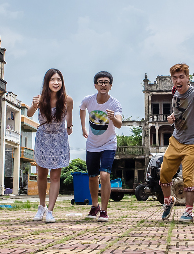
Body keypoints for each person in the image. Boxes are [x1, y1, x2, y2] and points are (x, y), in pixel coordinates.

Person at [158, 64, 194, 223]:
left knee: (188, 177)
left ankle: (188, 212)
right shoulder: (175, 93)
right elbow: (178, 110)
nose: (178, 80)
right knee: (164, 174)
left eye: (181, 77)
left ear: (187, 78)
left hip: (192, 142)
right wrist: (171, 117)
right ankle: (168, 201)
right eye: (175, 78)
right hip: (176, 140)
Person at [28, 68, 73, 223]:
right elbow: (28, 114)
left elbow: (69, 117)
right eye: (53, 79)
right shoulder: (40, 99)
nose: (56, 82)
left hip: (59, 139)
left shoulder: (67, 100)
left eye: (59, 80)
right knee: (41, 174)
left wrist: (69, 127)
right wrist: (34, 105)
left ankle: (51, 211)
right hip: (43, 139)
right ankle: (41, 206)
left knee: (55, 176)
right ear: (47, 82)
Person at [79, 71, 123, 222]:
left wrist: (112, 118)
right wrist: (83, 128)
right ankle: (95, 205)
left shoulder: (114, 103)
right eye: (100, 82)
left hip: (108, 144)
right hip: (92, 144)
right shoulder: (88, 100)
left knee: (104, 175)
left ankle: (104, 210)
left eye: (106, 82)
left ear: (110, 85)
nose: (103, 84)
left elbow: (119, 124)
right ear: (95, 85)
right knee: (92, 177)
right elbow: (82, 108)